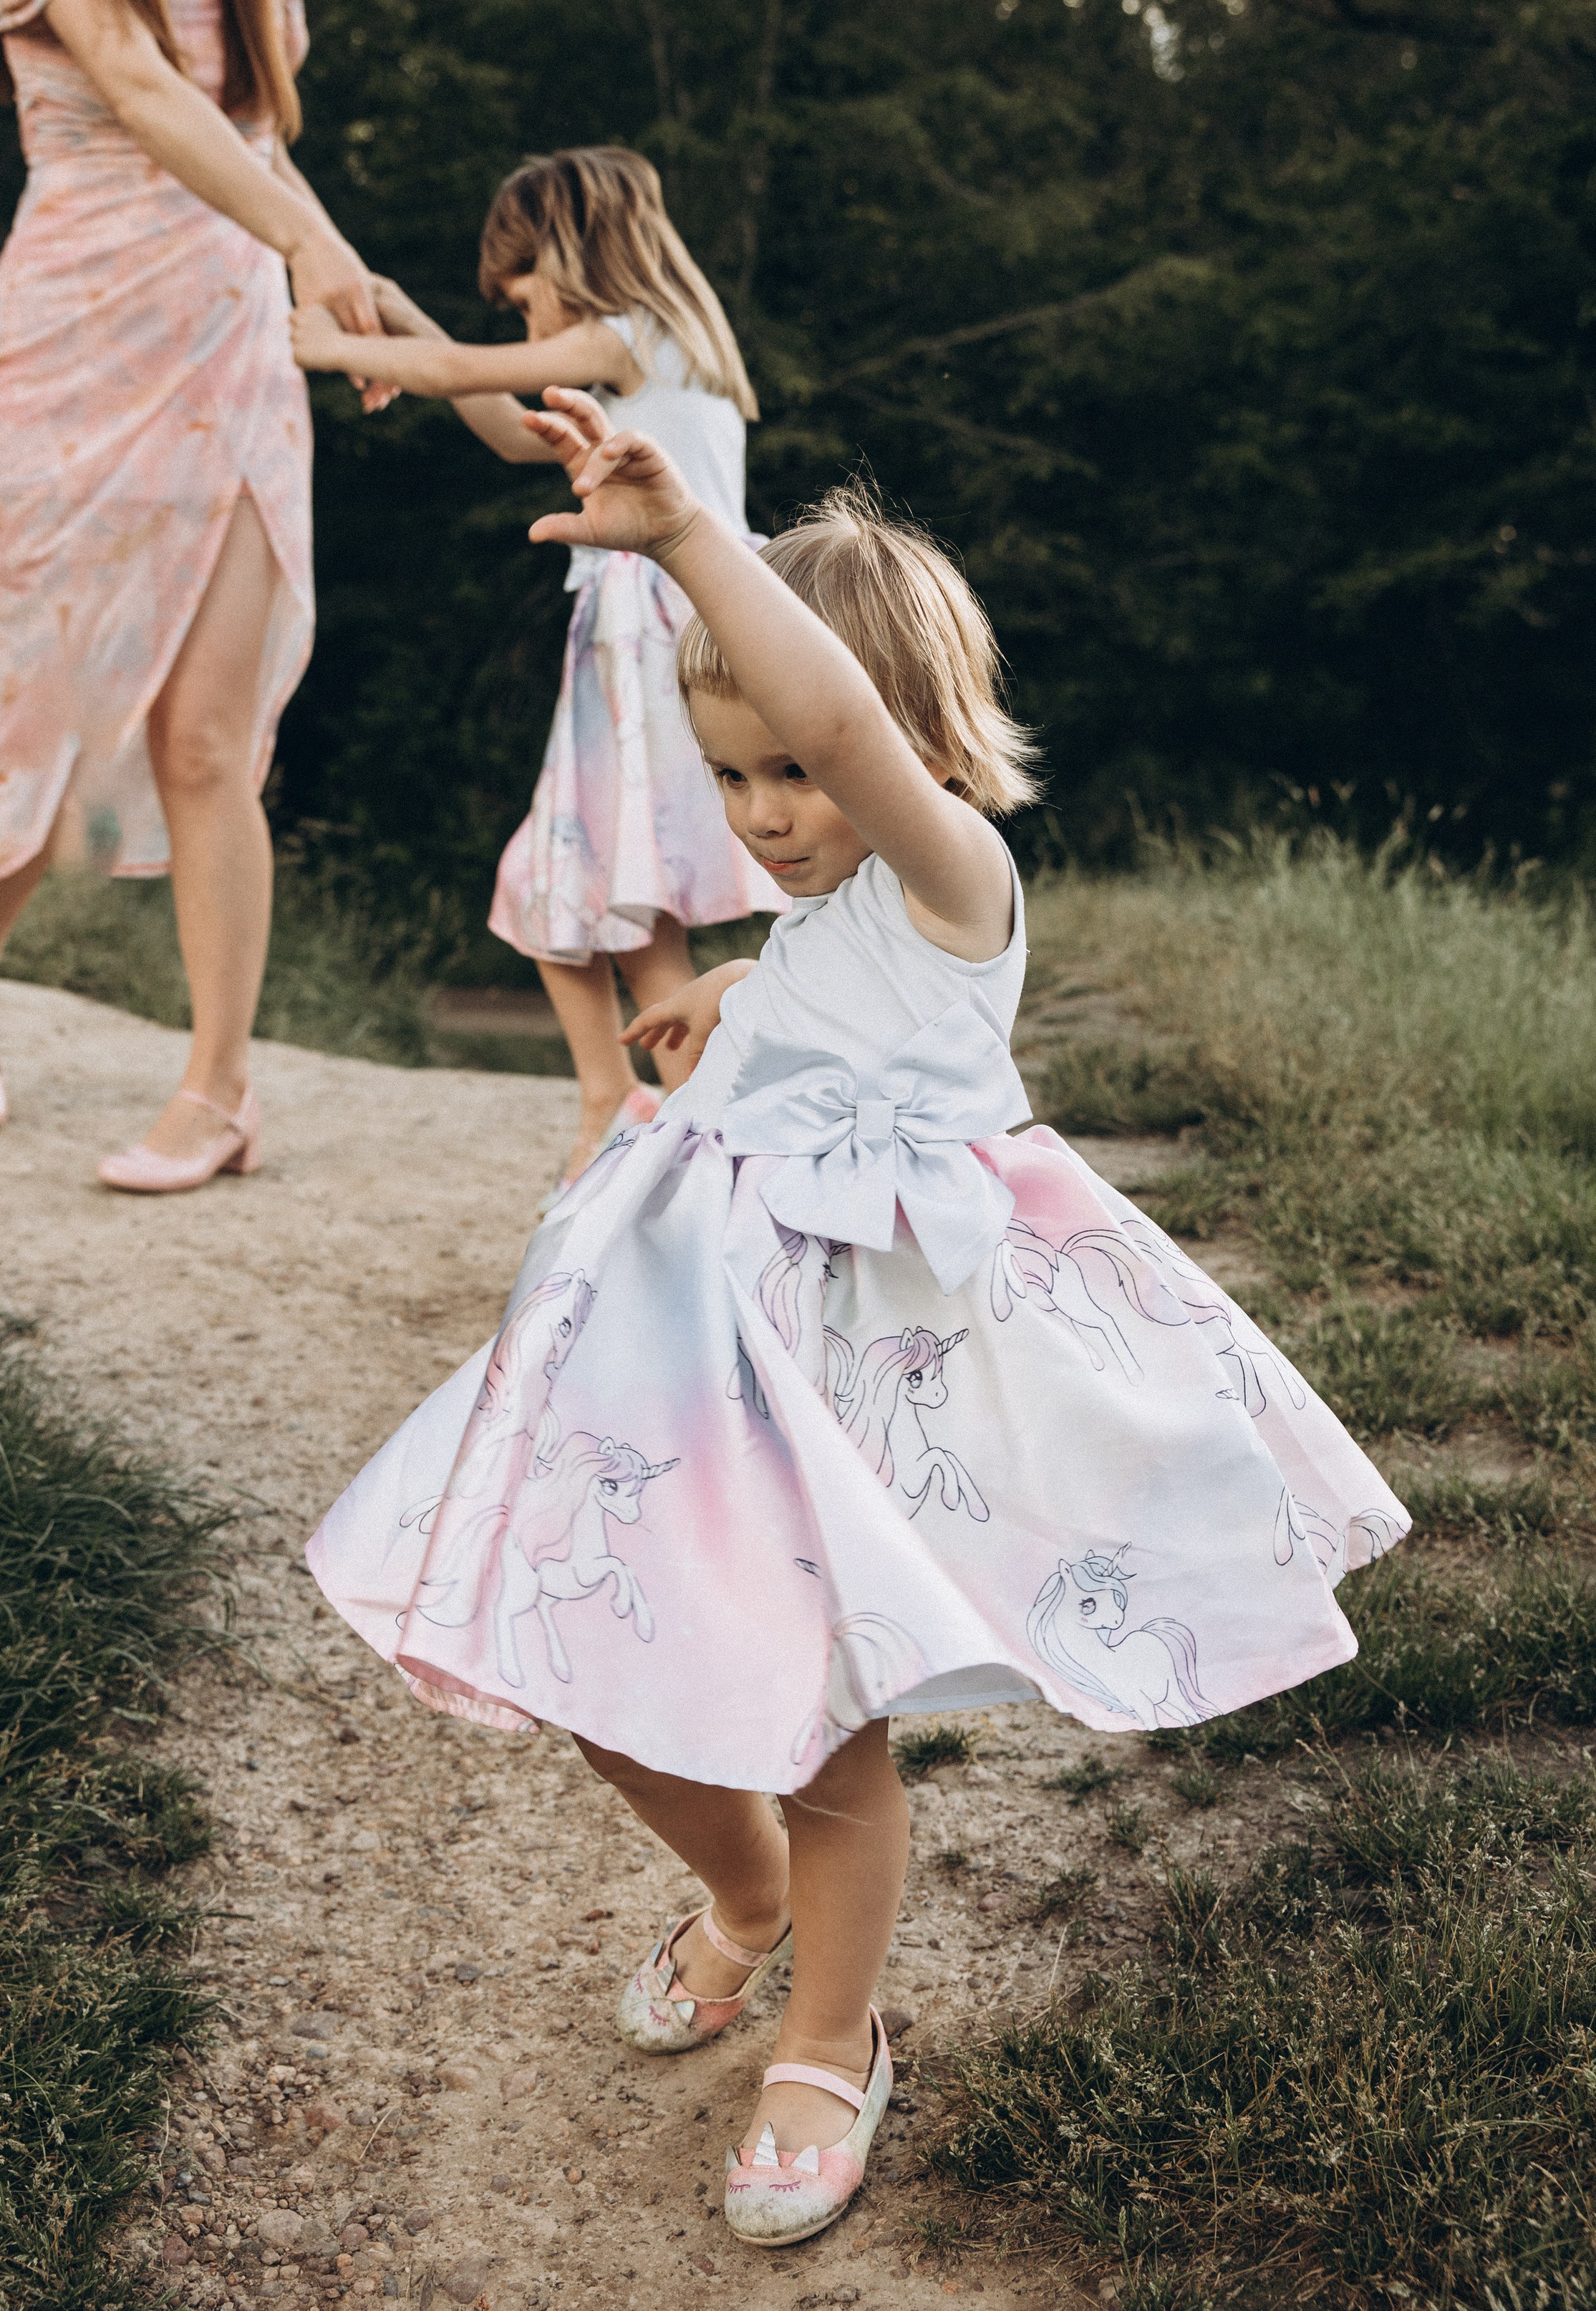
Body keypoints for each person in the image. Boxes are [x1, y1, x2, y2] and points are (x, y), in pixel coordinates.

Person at [305, 391, 1410, 2249]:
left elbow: (843, 748)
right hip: (689, 1366)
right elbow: (829, 954)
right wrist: (737, 990)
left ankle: (829, 2038)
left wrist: (690, 544)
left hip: (851, 1389)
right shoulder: (828, 917)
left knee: (820, 1727)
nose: (763, 813)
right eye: (728, 779)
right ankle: (745, 1901)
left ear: (907, 750)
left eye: (792, 775)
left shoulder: (960, 876)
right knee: (589, 1663)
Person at [0, 0, 387, 1191]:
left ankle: (217, 1089)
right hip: (68, 345)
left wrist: (356, 299)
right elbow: (136, 90)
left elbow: (255, 144)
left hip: (233, 350)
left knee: (210, 737)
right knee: (43, 698)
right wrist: (308, 246)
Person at [291, 147, 780, 1197]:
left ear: (572, 253)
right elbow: (519, 433)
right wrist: (405, 318)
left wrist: (329, 342)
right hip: (669, 630)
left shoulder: (628, 337)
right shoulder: (666, 347)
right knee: (588, 886)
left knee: (600, 885)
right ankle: (632, 1103)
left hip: (649, 634)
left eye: (525, 301)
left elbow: (471, 376)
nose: (524, 327)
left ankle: (675, 1129)